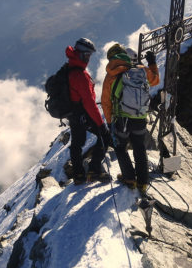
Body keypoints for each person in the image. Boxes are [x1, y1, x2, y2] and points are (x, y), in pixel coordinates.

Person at [101, 43, 160, 193]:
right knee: (139, 147)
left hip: (122, 120)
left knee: (120, 148)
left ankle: (129, 179)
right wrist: (152, 63)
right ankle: (142, 182)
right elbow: (155, 81)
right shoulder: (141, 70)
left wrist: (109, 122)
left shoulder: (111, 76)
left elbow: (106, 102)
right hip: (140, 117)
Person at [66, 37, 111, 183]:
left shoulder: (70, 67)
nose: (88, 58)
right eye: (87, 55)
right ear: (80, 54)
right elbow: (89, 103)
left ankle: (79, 175)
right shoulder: (80, 75)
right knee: (105, 137)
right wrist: (101, 124)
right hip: (83, 113)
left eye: (89, 55)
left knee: (77, 143)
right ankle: (94, 170)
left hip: (73, 112)